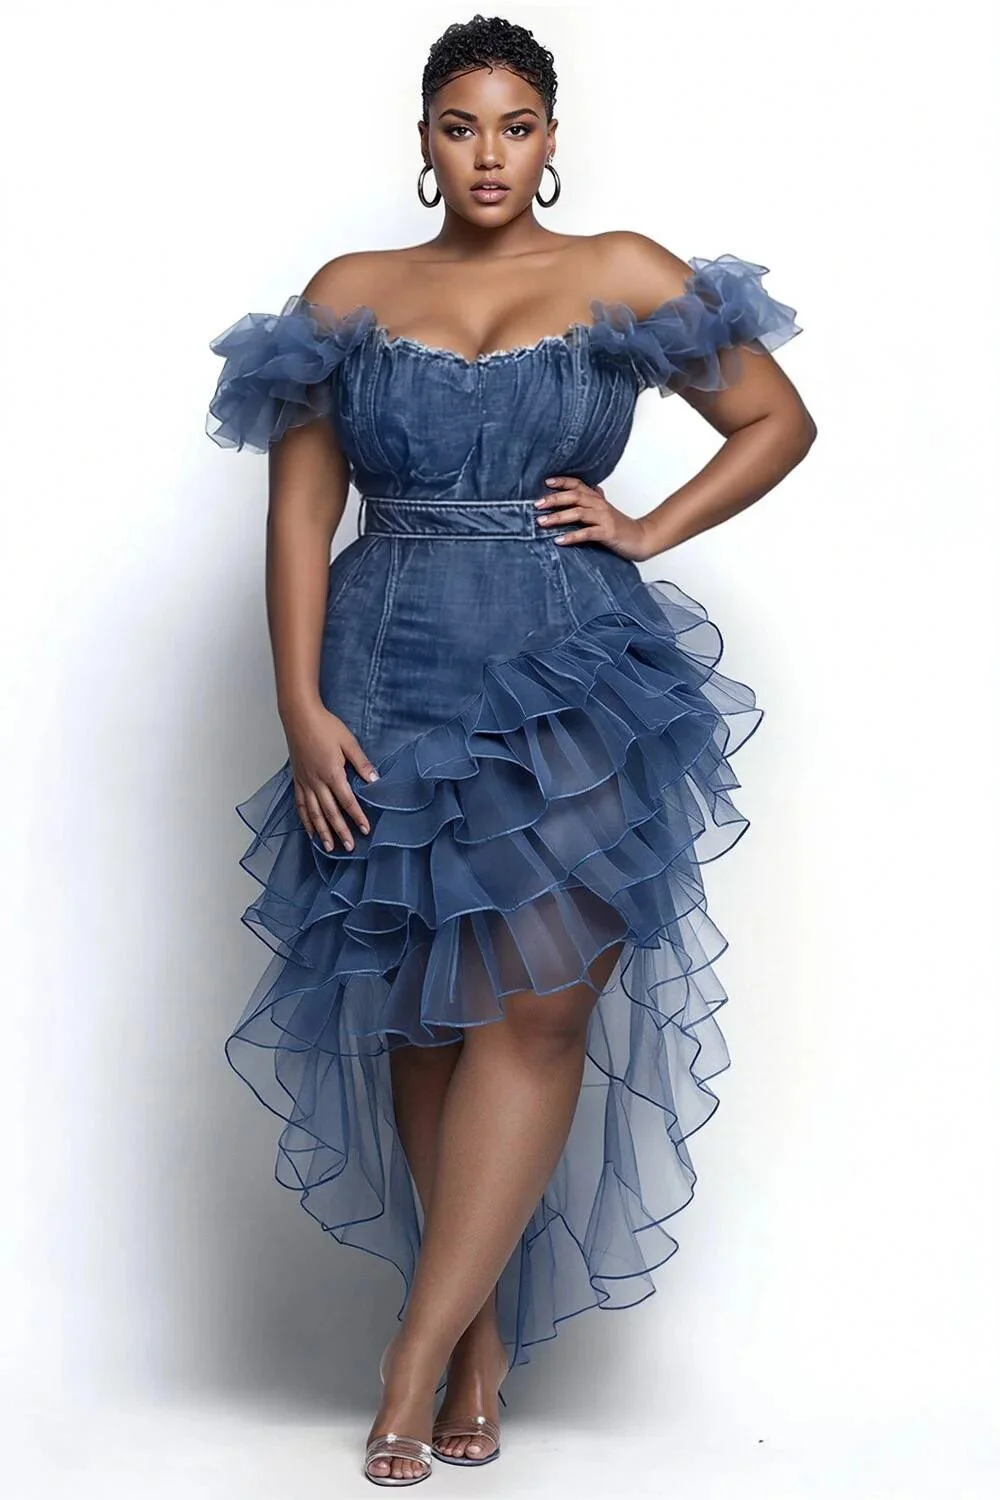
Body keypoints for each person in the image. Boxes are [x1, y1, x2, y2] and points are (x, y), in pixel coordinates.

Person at [205, 11, 816, 1488]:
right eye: (461, 126)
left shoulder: (621, 271)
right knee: (424, 1013)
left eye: (517, 126)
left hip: (569, 672)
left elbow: (776, 419)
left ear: (552, 137)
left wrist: (648, 528)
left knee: (537, 1007)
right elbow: (301, 510)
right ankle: (474, 1341)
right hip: (384, 665)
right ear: (424, 142)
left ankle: (410, 1360)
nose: (490, 154)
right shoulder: (351, 293)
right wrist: (299, 705)